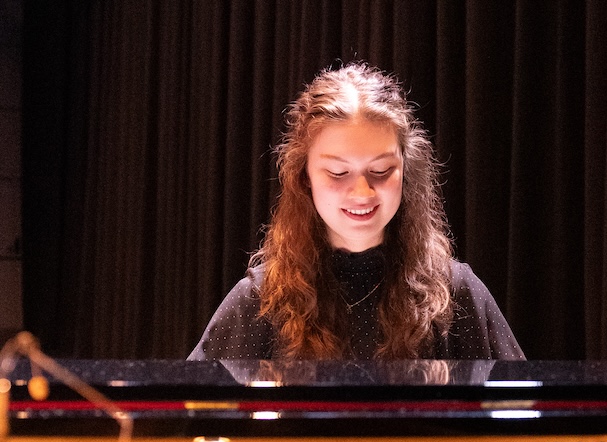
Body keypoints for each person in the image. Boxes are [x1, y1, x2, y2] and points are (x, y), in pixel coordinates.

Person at [189, 63, 524, 361]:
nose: (362, 192)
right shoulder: (259, 299)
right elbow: (190, 416)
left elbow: (521, 414)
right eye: (337, 173)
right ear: (304, 176)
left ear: (406, 170)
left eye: (381, 170)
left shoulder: (457, 291)